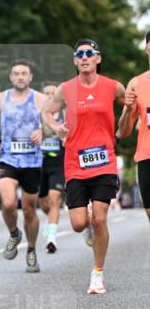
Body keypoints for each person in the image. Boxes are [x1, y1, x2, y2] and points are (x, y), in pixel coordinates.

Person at [42, 37, 126, 293]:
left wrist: (125, 124)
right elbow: (46, 112)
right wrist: (57, 127)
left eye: (89, 53)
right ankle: (88, 226)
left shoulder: (112, 86)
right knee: (80, 223)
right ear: (75, 61)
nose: (85, 58)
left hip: (104, 162)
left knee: (100, 219)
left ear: (98, 58)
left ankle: (97, 274)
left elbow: (130, 105)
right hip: (75, 163)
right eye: (80, 55)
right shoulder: (66, 89)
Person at [0, 60, 45, 273]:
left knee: (29, 209)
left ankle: (30, 249)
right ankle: (13, 233)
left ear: (30, 77)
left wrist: (43, 132)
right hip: (8, 159)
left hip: (32, 161)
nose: (20, 77)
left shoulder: (41, 99)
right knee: (9, 203)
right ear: (11, 77)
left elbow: (53, 123)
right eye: (16, 74)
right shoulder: (1, 98)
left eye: (24, 74)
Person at [117, 29, 150, 225]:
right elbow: (125, 130)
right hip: (147, 156)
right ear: (147, 48)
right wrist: (129, 110)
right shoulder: (136, 84)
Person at [38, 82, 66, 253]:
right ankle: (50, 221)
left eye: (53, 93)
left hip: (58, 163)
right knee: (44, 203)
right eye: (46, 93)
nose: (49, 96)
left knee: (54, 198)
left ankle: (52, 238)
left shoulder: (65, 113)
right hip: (39, 163)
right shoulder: (35, 114)